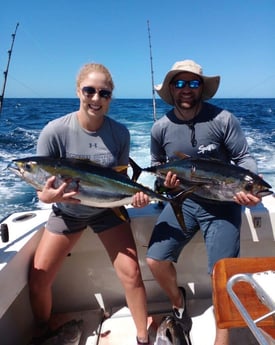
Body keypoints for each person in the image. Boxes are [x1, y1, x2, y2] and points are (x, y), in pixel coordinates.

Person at [29, 62, 150, 345]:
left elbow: (118, 182)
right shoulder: (54, 131)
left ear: (111, 98)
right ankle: (45, 330)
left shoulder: (120, 134)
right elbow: (42, 194)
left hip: (107, 211)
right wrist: (50, 197)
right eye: (90, 91)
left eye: (104, 93)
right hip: (68, 212)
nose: (96, 99)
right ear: (78, 91)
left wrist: (138, 198)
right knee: (38, 280)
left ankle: (144, 337)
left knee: (132, 273)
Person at [146, 59, 262, 345]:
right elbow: (157, 168)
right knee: (155, 260)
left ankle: (221, 341)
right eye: (180, 83)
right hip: (182, 201)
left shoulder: (222, 119)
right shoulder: (160, 128)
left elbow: (243, 158)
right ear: (172, 89)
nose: (186, 89)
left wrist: (249, 184)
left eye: (193, 83)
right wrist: (164, 184)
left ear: (202, 88)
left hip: (222, 203)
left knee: (222, 274)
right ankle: (178, 300)